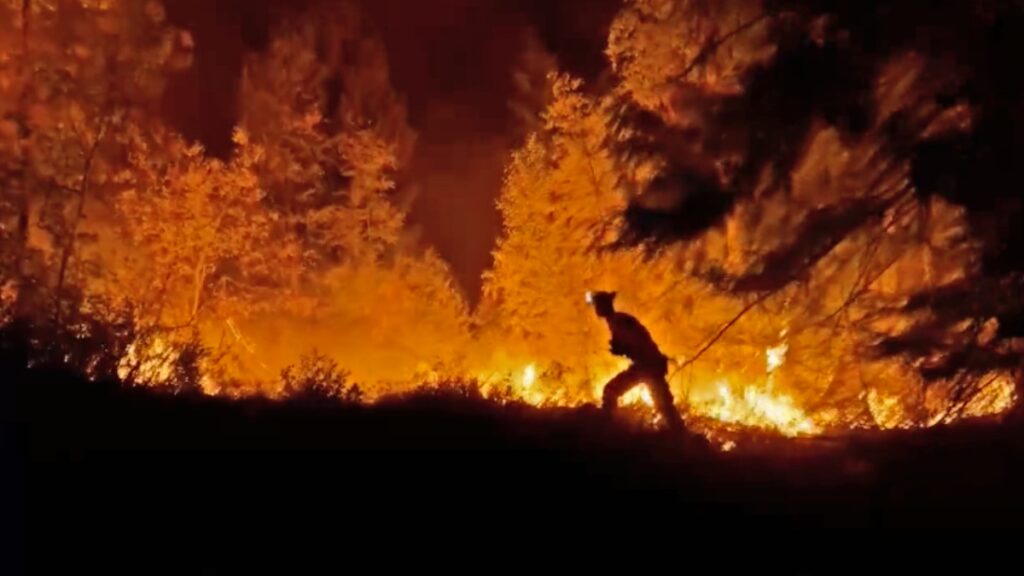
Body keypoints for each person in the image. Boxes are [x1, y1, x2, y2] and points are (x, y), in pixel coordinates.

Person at [588, 291, 683, 431]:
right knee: (664, 406)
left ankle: (609, 428)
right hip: (648, 366)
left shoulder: (619, 321)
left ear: (604, 306)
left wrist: (620, 348)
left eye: (598, 305)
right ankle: (680, 436)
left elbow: (637, 342)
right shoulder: (618, 320)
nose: (596, 309)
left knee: (611, 391)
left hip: (647, 366)